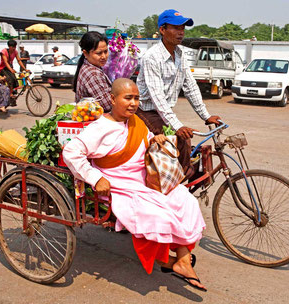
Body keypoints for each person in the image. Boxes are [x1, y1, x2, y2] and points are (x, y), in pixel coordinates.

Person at [63, 78, 207, 291]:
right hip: (118, 184)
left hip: (143, 179)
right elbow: (71, 152)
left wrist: (155, 138)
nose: (133, 103)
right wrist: (95, 178)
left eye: (137, 98)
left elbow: (144, 139)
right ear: (112, 99)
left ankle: (183, 261)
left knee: (185, 199)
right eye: (127, 98)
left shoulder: (136, 122)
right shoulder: (100, 126)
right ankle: (163, 260)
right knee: (158, 213)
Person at [136, 9, 221, 179]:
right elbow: (157, 96)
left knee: (186, 141)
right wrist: (177, 126)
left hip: (162, 112)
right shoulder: (152, 57)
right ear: (162, 30)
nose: (180, 32)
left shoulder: (180, 54)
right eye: (175, 28)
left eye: (182, 28)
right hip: (145, 111)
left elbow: (190, 86)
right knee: (181, 139)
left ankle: (179, 176)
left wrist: (206, 116)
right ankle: (176, 183)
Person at [73, 31, 112, 112]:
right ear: (85, 53)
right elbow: (107, 105)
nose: (104, 56)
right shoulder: (93, 74)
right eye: (99, 53)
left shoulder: (91, 67)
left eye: (106, 51)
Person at [0, 39, 28, 104]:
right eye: (13, 47)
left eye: (15, 47)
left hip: (10, 68)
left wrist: (25, 69)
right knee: (10, 79)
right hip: (3, 68)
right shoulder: (4, 52)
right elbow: (5, 62)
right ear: (9, 46)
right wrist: (11, 70)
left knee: (15, 79)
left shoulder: (15, 52)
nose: (14, 48)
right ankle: (10, 94)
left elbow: (19, 60)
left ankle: (13, 95)